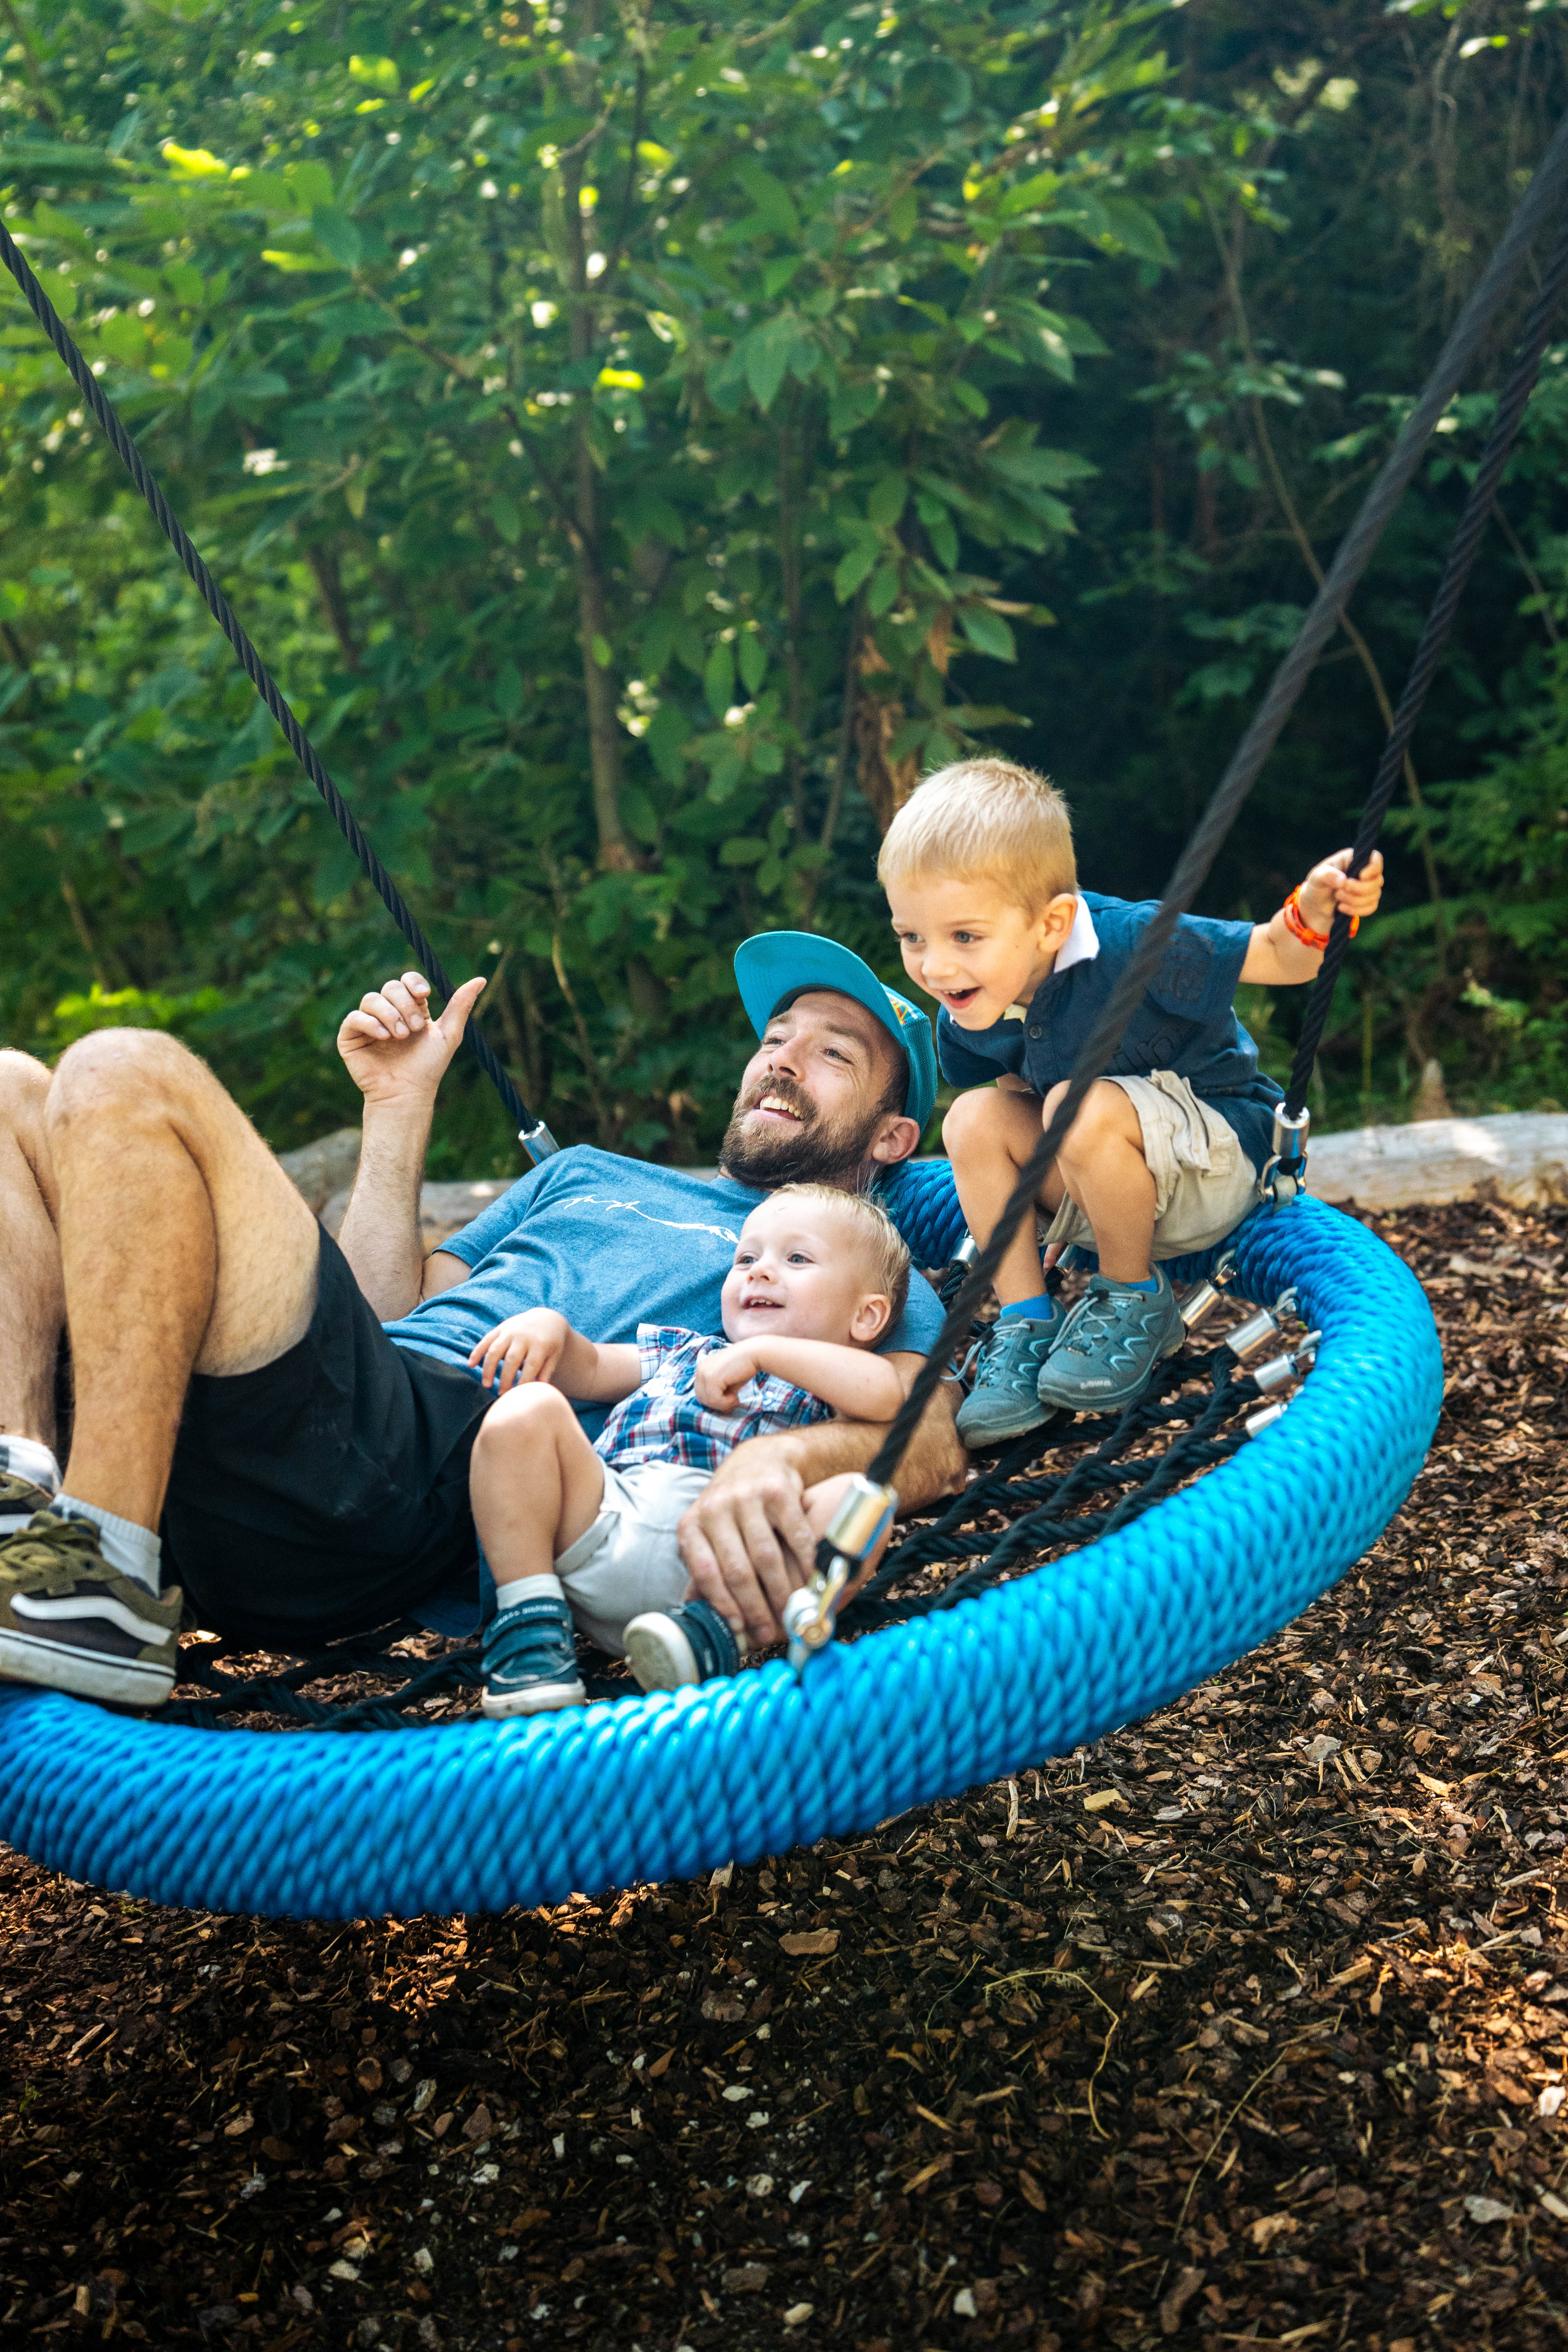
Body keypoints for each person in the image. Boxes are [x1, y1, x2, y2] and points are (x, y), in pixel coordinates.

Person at [0, 934, 963, 1708]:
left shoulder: (846, 1259)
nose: (783, 1060)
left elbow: (927, 1436)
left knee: (125, 1065)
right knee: (11, 1088)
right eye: (774, 1038)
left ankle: (102, 1589)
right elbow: (382, 1318)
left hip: (422, 1475)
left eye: (831, 1054)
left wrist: (780, 1461)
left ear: (890, 1138)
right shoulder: (579, 1172)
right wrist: (396, 1106)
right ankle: (29, 1509)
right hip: (312, 1416)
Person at [879, 757, 1386, 1442]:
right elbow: (1015, 1098)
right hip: (1110, 1189)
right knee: (974, 1118)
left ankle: (1134, 1299)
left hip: (1220, 1159)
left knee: (1071, 1107)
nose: (935, 966)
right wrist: (1043, 1205)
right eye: (913, 937)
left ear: (1052, 924)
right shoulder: (969, 1006)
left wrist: (1316, 910)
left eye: (964, 936)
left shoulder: (1137, 943)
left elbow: (1279, 956)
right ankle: (1027, 1321)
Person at [467, 1184, 913, 1714]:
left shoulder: (825, 1380)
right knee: (527, 1410)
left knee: (863, 1502)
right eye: (747, 1257)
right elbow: (586, 1370)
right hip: (604, 1520)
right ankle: (530, 1630)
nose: (760, 1271)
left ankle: (715, 1633)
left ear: (865, 1317)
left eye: (797, 1258)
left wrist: (764, 1352)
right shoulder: (686, 1349)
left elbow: (886, 1393)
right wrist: (551, 1329)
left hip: (732, 1566)